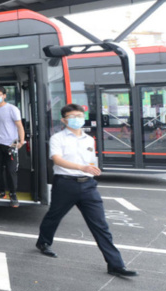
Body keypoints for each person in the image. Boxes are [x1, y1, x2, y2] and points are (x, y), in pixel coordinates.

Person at [35, 104, 137, 277]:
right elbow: (57, 160)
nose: (77, 119)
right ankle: (43, 242)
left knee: (100, 225)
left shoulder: (89, 139)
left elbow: (90, 161)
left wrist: (92, 169)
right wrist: (82, 167)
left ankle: (115, 264)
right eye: (73, 116)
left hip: (88, 185)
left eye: (80, 115)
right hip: (65, 184)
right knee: (54, 215)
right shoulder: (57, 138)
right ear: (64, 120)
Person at [0, 85, 24, 207]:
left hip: (10, 145)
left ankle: (13, 194)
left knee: (11, 170)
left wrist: (21, 141)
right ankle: (1, 191)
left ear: (4, 96)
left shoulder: (12, 109)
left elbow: (19, 126)